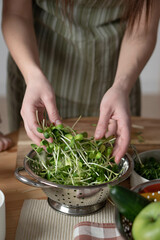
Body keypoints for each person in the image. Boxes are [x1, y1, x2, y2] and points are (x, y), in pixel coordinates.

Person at [1, 0, 160, 163]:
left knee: (110, 156)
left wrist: (122, 86)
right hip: (37, 65)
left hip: (116, 71)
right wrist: (32, 76)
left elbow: (143, 29)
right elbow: (16, 14)